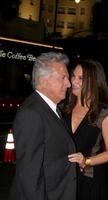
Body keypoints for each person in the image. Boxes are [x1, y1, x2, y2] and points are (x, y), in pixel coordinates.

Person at [9, 52, 76, 200]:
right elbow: (29, 176)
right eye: (63, 77)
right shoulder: (32, 114)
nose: (69, 84)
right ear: (43, 79)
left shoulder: (51, 108)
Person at [65, 59, 108, 200]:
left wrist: (86, 161)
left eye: (81, 78)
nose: (74, 81)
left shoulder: (103, 112)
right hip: (66, 176)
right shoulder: (65, 107)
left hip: (89, 178)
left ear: (94, 82)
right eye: (73, 76)